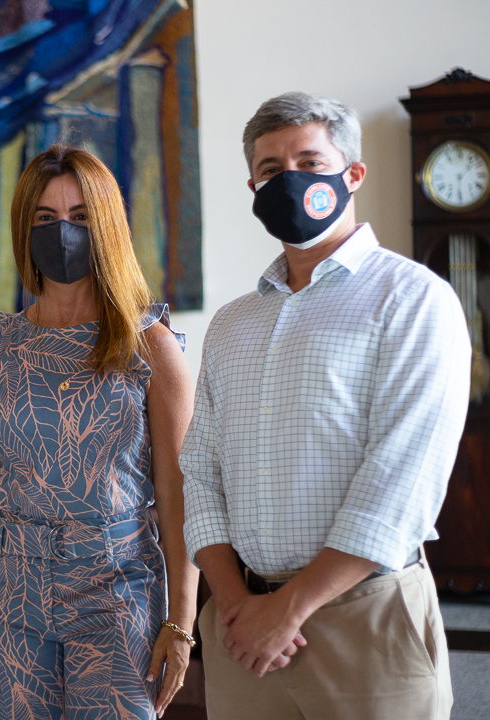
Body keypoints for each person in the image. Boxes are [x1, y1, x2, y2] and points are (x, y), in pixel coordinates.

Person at [181, 92, 470, 720]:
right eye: (271, 170)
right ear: (253, 188)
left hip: (365, 618)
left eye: (309, 163)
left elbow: (403, 479)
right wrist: (235, 602)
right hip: (240, 626)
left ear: (353, 174)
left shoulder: (414, 299)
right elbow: (199, 471)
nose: (290, 180)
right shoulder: (231, 323)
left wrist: (287, 609)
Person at [0, 145, 199, 720]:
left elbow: (179, 491)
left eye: (80, 216)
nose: (63, 231)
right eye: (46, 217)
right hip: (9, 589)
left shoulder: (150, 346)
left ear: (106, 225)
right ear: (23, 228)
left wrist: (181, 622)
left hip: (118, 589)